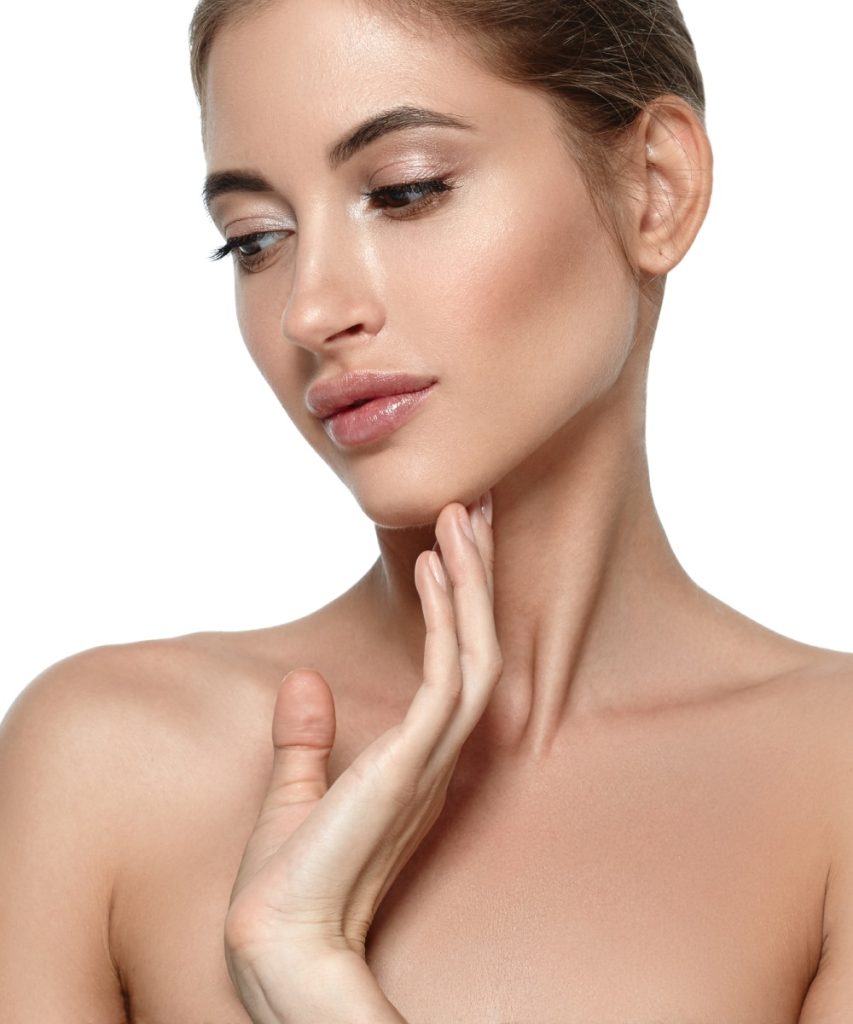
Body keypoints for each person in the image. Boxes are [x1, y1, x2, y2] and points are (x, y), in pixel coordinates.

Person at [1, 0, 851, 1020]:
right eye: (256, 239)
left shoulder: (827, 780)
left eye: (405, 191)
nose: (311, 309)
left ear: (653, 189)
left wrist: (303, 972)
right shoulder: (105, 761)